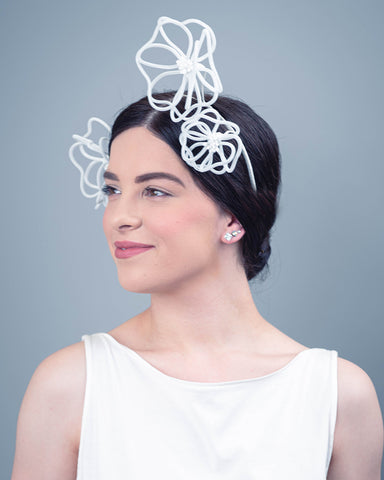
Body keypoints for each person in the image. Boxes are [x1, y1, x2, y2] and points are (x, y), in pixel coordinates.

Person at [11, 17, 383, 480]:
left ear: (233, 217)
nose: (119, 216)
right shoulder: (69, 386)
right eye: (113, 190)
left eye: (156, 191)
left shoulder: (339, 396)